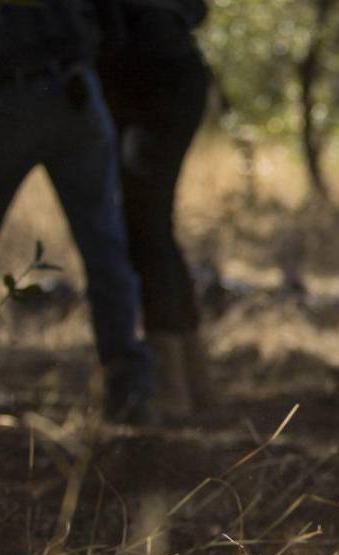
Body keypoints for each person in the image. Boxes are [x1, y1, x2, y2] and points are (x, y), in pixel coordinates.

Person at [0, 0, 155, 424]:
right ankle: (128, 386)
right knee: (104, 243)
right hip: (75, 92)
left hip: (8, 98)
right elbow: (115, 27)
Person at [97, 0, 212, 421]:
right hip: (169, 77)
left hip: (155, 84)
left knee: (143, 227)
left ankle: (173, 387)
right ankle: (194, 378)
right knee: (152, 226)